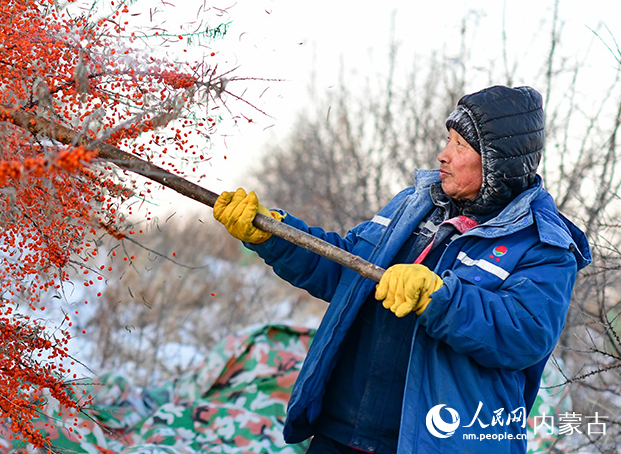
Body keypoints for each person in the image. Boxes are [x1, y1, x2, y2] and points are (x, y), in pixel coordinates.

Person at [213, 85, 591, 454]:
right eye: (448, 139)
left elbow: (525, 333)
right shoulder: (415, 204)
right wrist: (273, 234)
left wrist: (439, 299)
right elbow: (346, 268)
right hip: (341, 432)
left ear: (498, 162)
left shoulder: (544, 244)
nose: (443, 155)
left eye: (460, 146)